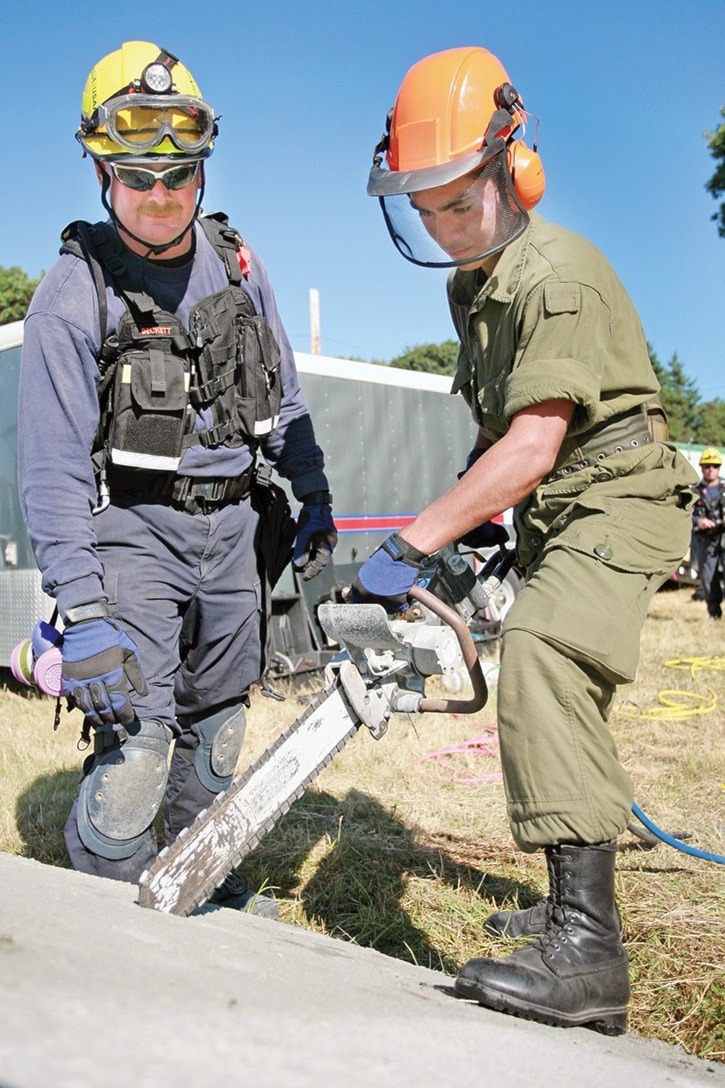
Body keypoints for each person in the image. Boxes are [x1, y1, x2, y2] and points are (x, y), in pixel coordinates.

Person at [358, 46, 696, 1033]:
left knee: (545, 652)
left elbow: (537, 438)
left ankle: (589, 953)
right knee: (546, 673)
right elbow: (500, 428)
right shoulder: (476, 285)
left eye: (456, 202)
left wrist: (417, 540)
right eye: (422, 208)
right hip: (562, 501)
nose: (440, 224)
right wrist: (473, 535)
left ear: (516, 171)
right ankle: (566, 902)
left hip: (618, 493)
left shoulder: (553, 276)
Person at [18, 41, 336, 915]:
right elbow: (48, 468)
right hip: (135, 535)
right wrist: (81, 612)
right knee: (139, 748)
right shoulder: (70, 294)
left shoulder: (239, 263)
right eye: (137, 179)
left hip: (235, 530)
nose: (160, 197)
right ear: (100, 174)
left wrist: (311, 495)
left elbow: (285, 388)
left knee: (219, 731)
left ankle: (201, 885)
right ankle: (113, 916)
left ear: (202, 170)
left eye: (179, 177)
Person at [691, 448, 725, 619]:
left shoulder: (724, 489)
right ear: (702, 468)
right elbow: (685, 514)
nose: (711, 469)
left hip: (723, 538)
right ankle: (714, 614)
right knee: (708, 577)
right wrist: (699, 521)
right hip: (705, 540)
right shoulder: (694, 493)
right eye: (707, 466)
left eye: (714, 466)